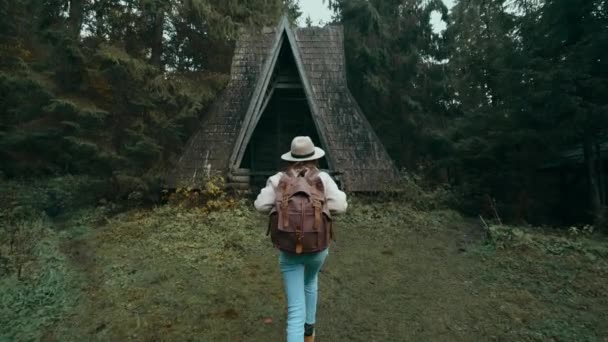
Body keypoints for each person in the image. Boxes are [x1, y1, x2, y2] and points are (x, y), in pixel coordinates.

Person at [254, 136, 348, 342]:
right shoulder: (322, 179)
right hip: (318, 247)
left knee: (296, 309)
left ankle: (302, 330)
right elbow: (341, 206)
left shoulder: (279, 179)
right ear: (314, 157)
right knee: (311, 281)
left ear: (291, 158)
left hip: (288, 248)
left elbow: (260, 205)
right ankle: (309, 333)